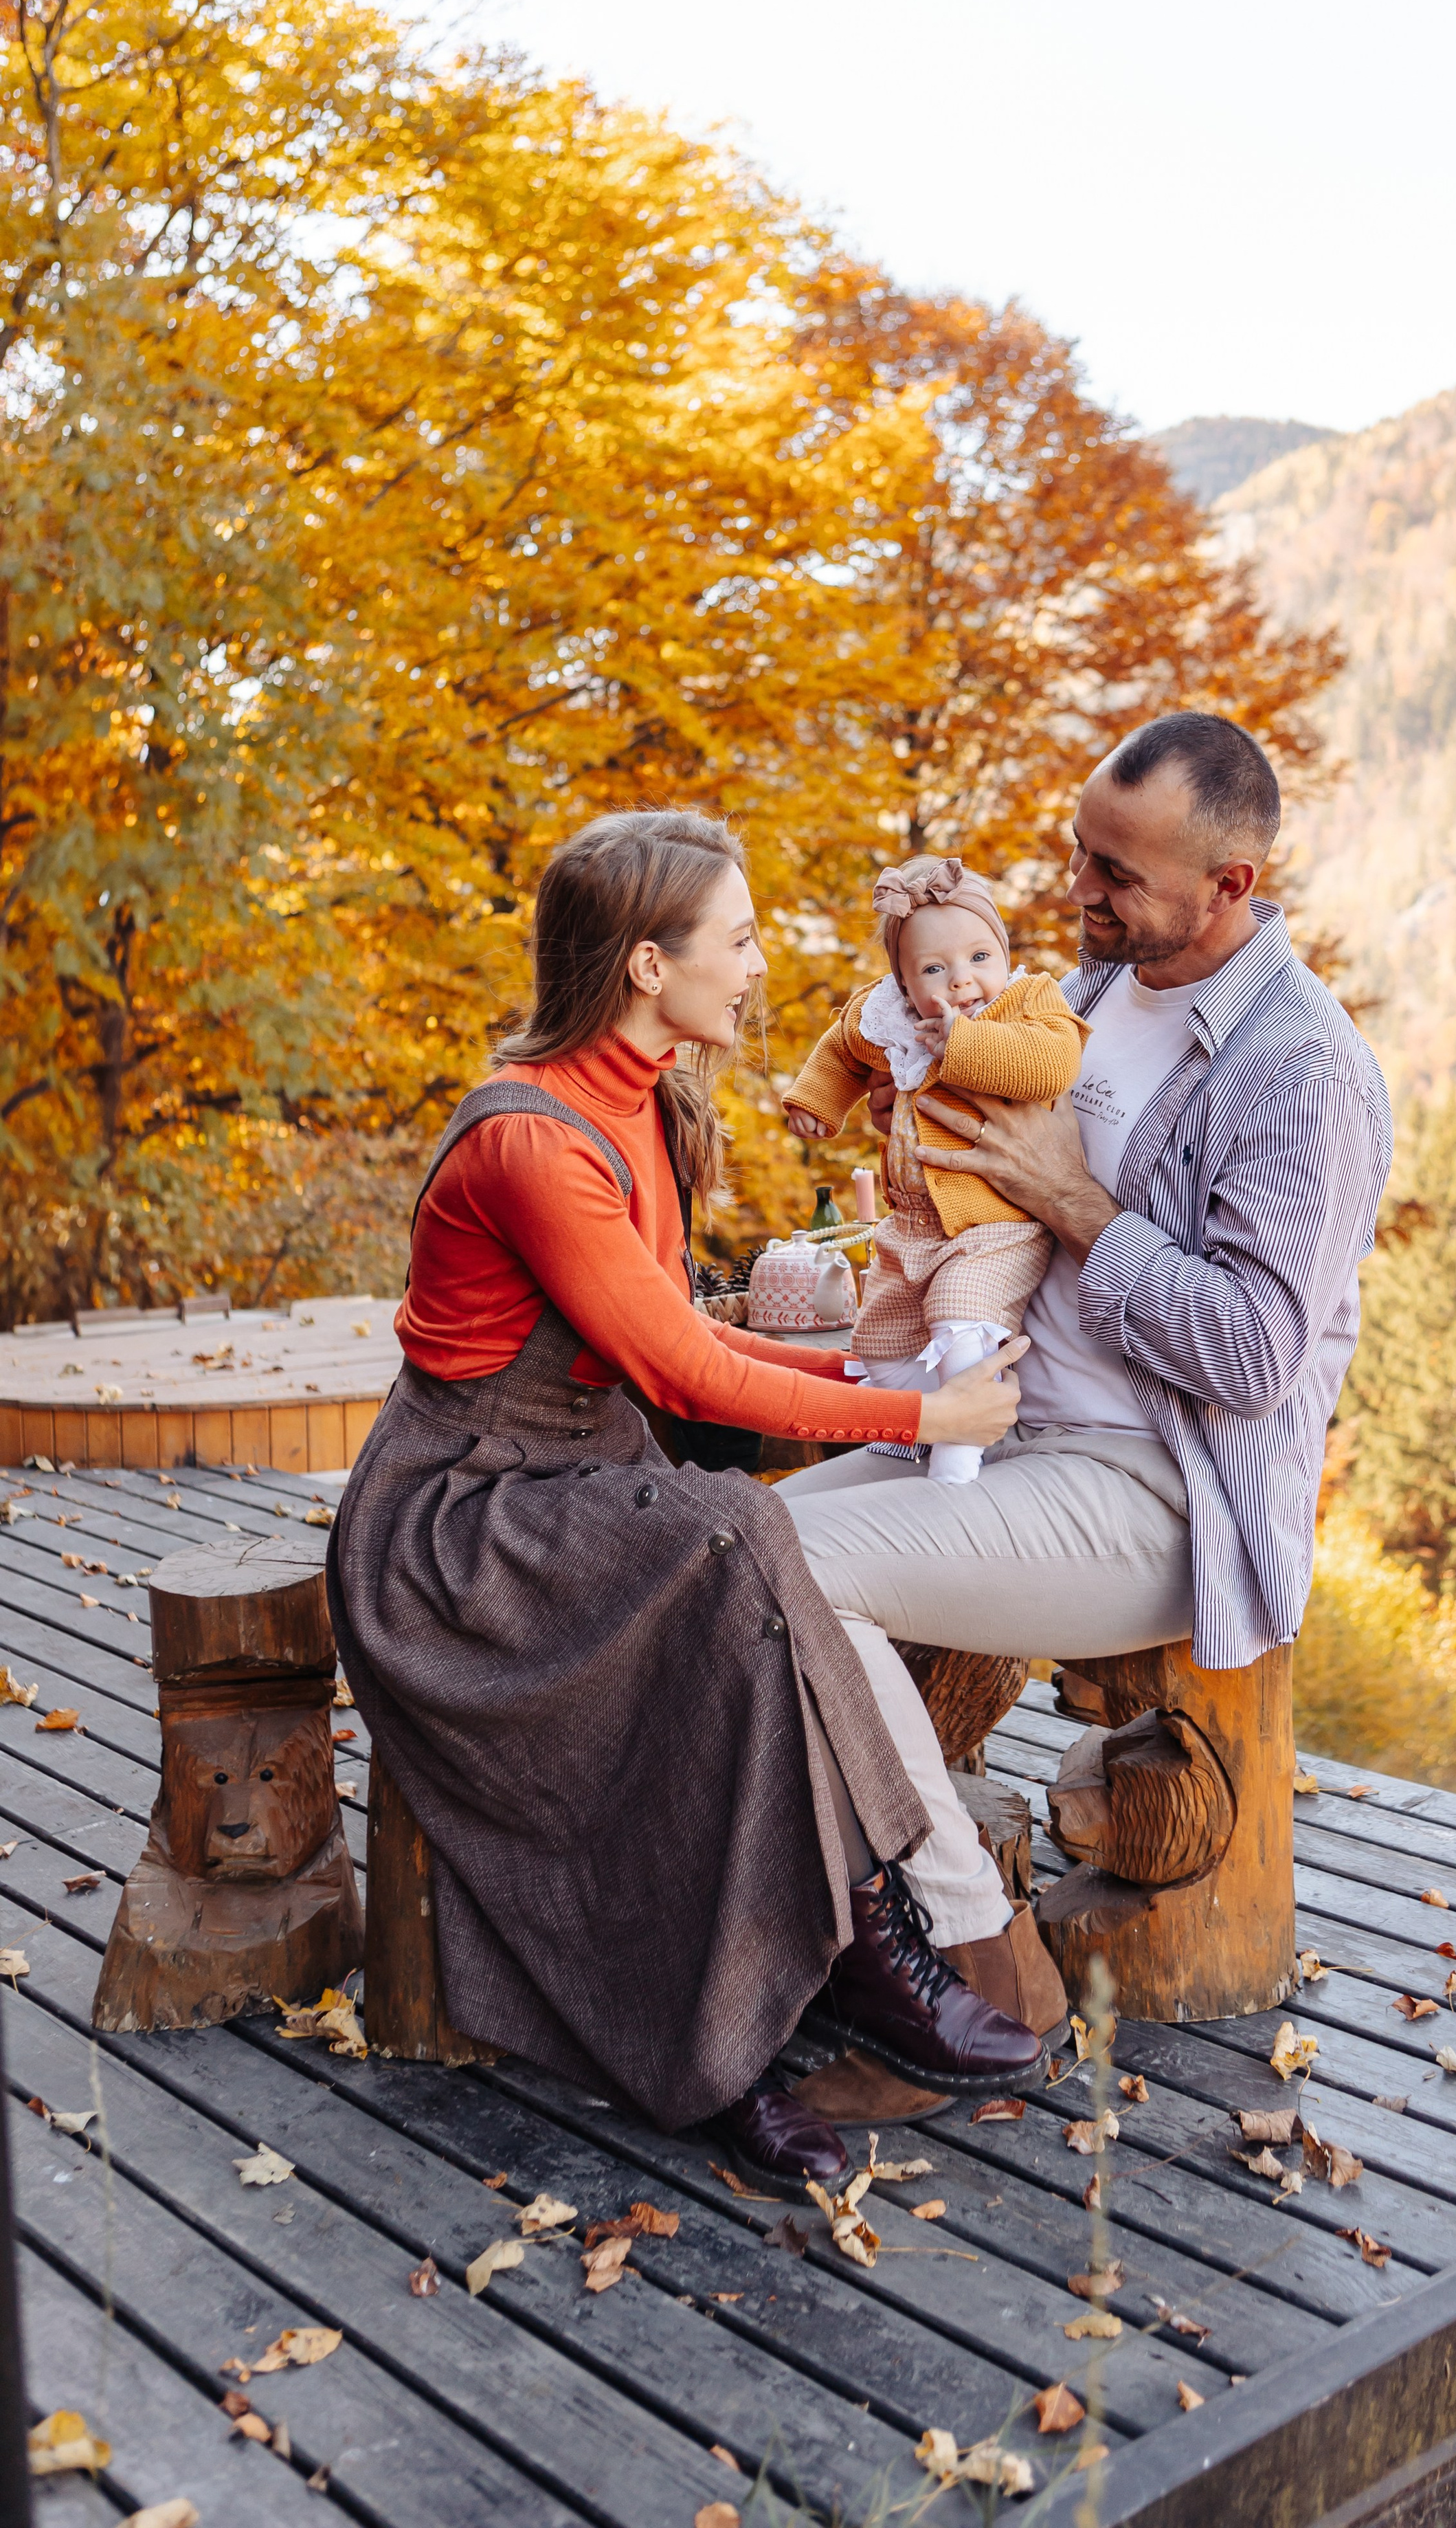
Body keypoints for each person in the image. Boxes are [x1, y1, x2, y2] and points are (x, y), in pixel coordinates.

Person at [326, 810, 1047, 2200]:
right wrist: (917, 1415)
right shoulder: (531, 1143)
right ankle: (809, 1995)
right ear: (649, 966)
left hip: (582, 1474)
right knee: (737, 1541)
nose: (761, 964)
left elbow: (680, 1338)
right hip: (459, 1529)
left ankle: (832, 1965)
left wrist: (861, 1362)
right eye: (740, 938)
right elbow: (682, 1369)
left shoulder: (649, 1102)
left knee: (736, 1563)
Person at [779, 711, 1393, 1988]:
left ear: (1231, 887)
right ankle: (804, 1938)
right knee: (725, 1538)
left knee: (789, 1572)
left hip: (1156, 1494)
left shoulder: (1301, 1073)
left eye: (1118, 875)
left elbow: (1253, 1355)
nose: (1080, 893)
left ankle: (977, 1960)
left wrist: (1077, 1204)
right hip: (993, 1428)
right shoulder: (1083, 994)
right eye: (1080, 854)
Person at [781, 856, 1087, 1483]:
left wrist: (964, 1045)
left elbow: (1054, 1064)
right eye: (933, 969)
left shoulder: (1027, 1001)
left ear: (1002, 949)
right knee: (881, 1346)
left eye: (980, 957)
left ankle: (960, 1459)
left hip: (992, 1224)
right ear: (901, 978)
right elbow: (842, 1046)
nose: (961, 982)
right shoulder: (889, 1016)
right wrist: (818, 1100)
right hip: (912, 1225)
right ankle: (918, 1431)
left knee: (958, 1313)